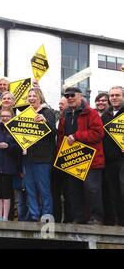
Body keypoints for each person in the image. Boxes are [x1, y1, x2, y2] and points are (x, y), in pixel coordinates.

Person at [58, 86, 105, 225]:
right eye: (67, 96)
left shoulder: (91, 112)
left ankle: (96, 218)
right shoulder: (64, 114)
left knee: (92, 189)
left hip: (91, 159)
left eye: (72, 95)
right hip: (72, 158)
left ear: (80, 96)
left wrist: (76, 136)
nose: (70, 98)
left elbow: (98, 133)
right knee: (73, 190)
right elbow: (61, 137)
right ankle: (79, 218)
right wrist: (59, 158)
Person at [22, 87, 56, 221]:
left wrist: (45, 121)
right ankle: (34, 215)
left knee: (44, 189)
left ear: (40, 97)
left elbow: (54, 132)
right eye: (29, 96)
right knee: (30, 188)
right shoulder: (26, 113)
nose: (31, 98)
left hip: (43, 157)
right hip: (28, 157)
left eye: (34, 96)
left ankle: (46, 216)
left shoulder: (47, 112)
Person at [102, 86, 124, 226]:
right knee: (113, 192)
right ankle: (119, 221)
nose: (114, 98)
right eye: (112, 95)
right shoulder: (105, 115)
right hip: (109, 160)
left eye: (117, 95)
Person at [52, 96, 72, 223]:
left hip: (67, 160)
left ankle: (69, 218)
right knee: (54, 191)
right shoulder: (57, 119)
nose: (60, 106)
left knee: (68, 191)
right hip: (54, 160)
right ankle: (57, 218)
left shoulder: (70, 119)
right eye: (59, 103)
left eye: (62, 104)